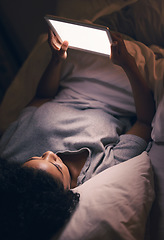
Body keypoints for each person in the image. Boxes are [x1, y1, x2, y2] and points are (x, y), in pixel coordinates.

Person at [0, 29, 155, 240]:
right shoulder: (102, 168)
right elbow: (145, 121)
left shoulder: (10, 156)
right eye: (55, 164)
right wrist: (127, 64)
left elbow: (42, 96)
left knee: (75, 27)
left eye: (35, 157)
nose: (48, 152)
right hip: (122, 88)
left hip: (68, 72)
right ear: (67, 190)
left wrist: (56, 60)